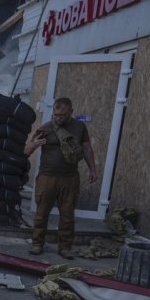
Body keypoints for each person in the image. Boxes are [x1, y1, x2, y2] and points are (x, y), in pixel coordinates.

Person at [24, 97, 98, 259]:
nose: (59, 118)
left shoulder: (79, 127)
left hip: (69, 178)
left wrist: (93, 169)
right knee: (41, 213)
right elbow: (26, 151)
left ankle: (65, 247)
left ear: (71, 112)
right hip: (47, 177)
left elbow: (86, 147)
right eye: (56, 115)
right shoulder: (46, 128)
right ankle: (37, 244)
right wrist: (35, 144)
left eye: (63, 115)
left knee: (67, 215)